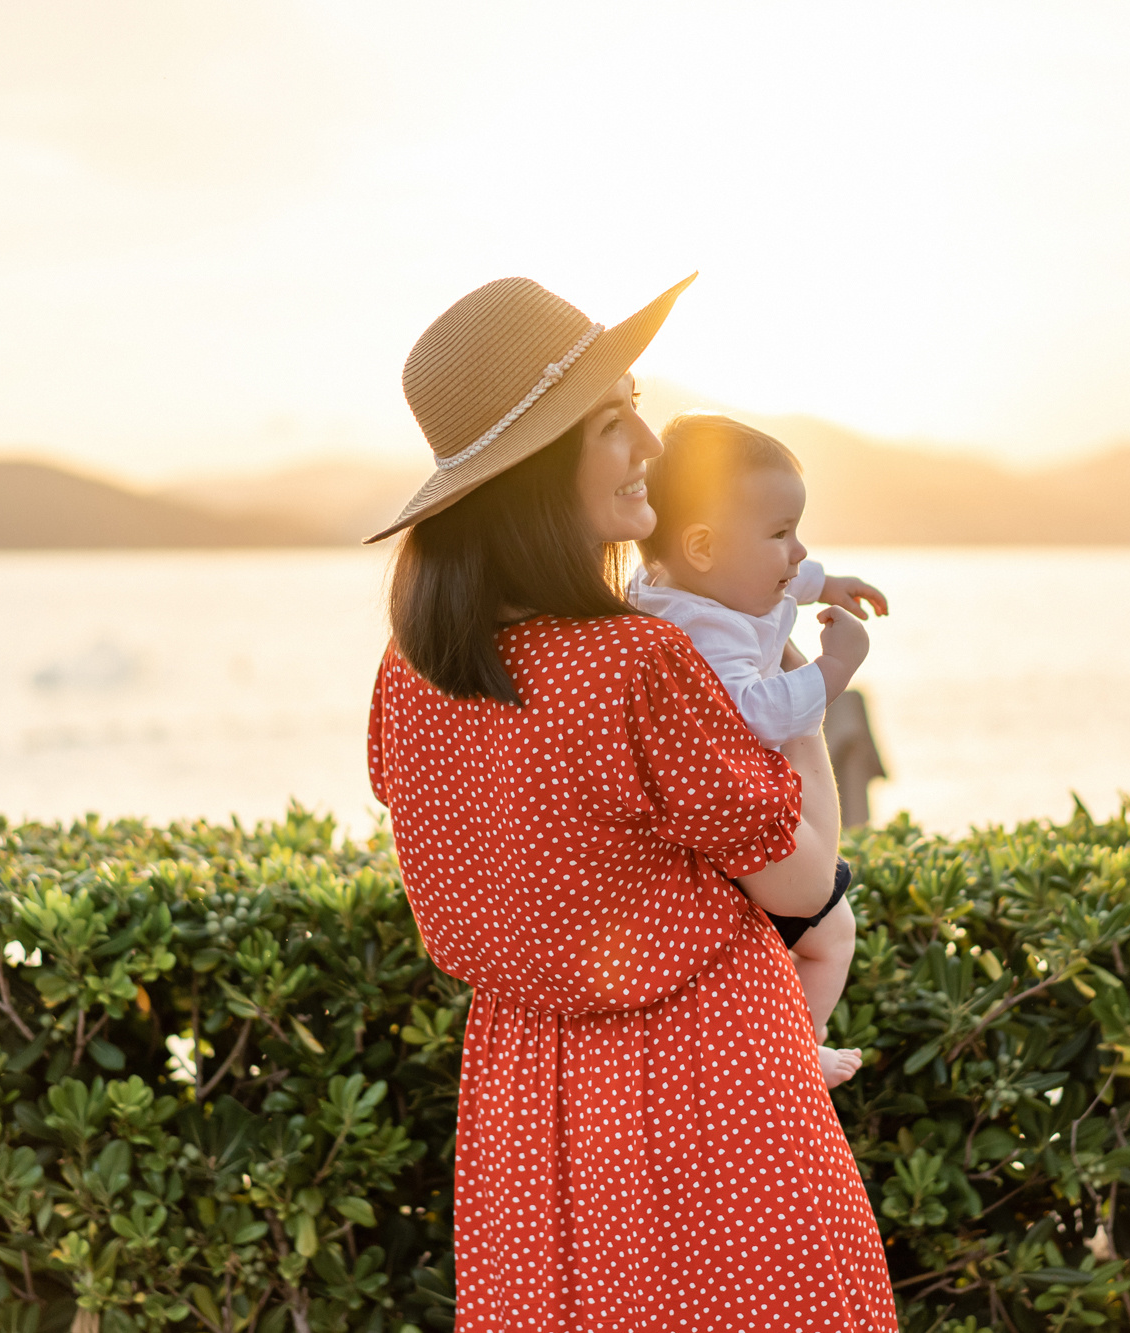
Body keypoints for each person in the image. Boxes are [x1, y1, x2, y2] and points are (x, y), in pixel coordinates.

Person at [365, 274, 897, 1330]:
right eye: (614, 424)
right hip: (707, 1081)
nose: (648, 448)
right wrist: (794, 693)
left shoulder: (405, 678)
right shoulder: (635, 664)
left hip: (527, 1110)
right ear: (534, 473)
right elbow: (800, 876)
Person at [627, 413, 891, 1089]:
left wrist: (826, 584)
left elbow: (787, 579)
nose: (797, 552)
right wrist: (834, 670)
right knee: (834, 935)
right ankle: (804, 1049)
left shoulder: (696, 582)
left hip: (739, 841)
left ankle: (792, 1045)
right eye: (781, 534)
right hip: (751, 840)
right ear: (705, 546)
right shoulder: (704, 629)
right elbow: (756, 715)